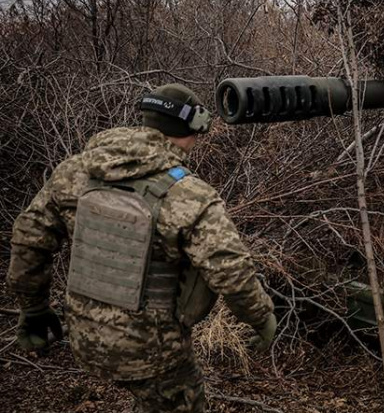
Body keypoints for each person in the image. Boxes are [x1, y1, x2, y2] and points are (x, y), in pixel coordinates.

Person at [7, 83, 277, 412]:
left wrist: (33, 307)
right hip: (155, 352)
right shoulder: (190, 195)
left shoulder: (76, 172)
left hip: (84, 337)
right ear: (193, 128)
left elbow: (28, 236)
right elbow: (231, 271)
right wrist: (261, 318)